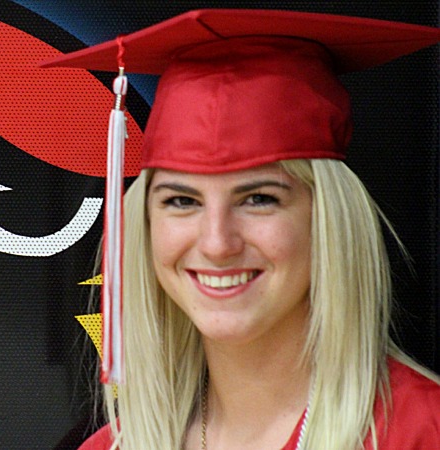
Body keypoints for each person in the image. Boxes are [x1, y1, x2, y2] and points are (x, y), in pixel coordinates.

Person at [43, 9, 440, 449]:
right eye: (182, 201)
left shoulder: (421, 431)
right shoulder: (112, 447)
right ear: (146, 223)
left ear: (327, 219)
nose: (217, 243)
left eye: (259, 199)